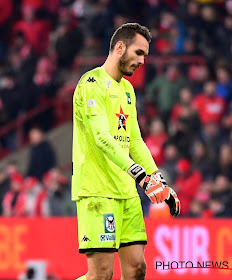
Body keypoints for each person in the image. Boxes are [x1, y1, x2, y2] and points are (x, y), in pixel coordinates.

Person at [72, 23, 181, 280]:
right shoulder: (91, 84)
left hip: (126, 192)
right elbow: (102, 137)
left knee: (136, 269)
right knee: (101, 275)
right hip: (97, 190)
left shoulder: (128, 90)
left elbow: (134, 140)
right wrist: (140, 175)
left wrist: (158, 180)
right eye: (139, 52)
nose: (143, 61)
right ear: (120, 47)